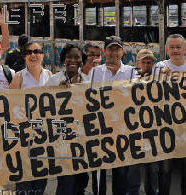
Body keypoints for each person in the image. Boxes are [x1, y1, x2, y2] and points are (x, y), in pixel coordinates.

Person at [90, 36, 140, 195]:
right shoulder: (95, 72)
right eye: (110, 49)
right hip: (100, 128)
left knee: (121, 172)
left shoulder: (132, 72)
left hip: (122, 129)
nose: (114, 52)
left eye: (117, 49)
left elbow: (141, 96)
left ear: (122, 51)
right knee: (99, 172)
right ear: (104, 52)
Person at [154, 34, 186, 195]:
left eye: (178, 47)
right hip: (166, 127)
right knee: (165, 169)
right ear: (166, 50)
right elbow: (151, 91)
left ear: (185, 49)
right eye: (172, 47)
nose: (175, 50)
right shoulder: (159, 66)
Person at [45, 44, 89, 195]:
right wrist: (57, 93)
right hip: (62, 137)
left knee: (81, 179)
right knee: (65, 179)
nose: (73, 60)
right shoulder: (53, 81)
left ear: (82, 60)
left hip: (83, 137)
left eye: (77, 57)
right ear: (63, 59)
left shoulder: (88, 81)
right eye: (69, 57)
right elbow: (44, 106)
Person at [10, 42, 52, 195]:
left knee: (41, 178)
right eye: (29, 52)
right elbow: (10, 106)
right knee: (24, 179)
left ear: (42, 54)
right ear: (24, 56)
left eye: (37, 51)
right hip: (24, 135)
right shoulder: (18, 77)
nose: (33, 55)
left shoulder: (50, 75)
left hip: (44, 135)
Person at [134, 49, 159, 195]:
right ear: (138, 63)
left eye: (149, 62)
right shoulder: (128, 80)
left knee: (153, 169)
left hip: (154, 133)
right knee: (135, 169)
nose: (147, 65)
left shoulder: (160, 79)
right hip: (135, 132)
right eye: (143, 62)